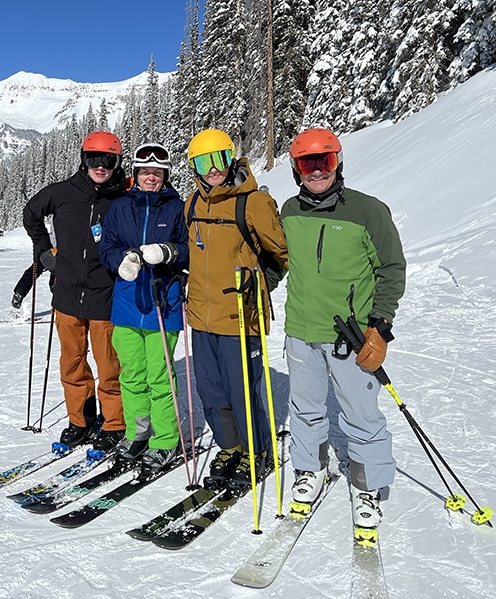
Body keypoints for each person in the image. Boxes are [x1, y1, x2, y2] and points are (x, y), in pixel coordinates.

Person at [279, 128, 406, 532]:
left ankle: (366, 485)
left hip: (350, 336)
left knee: (360, 412)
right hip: (301, 329)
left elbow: (391, 269)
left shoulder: (368, 211)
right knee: (305, 407)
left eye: (325, 161)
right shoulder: (288, 211)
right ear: (297, 170)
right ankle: (309, 469)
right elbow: (281, 261)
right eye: (307, 164)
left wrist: (380, 326)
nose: (316, 171)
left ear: (337, 163)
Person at [184, 129, 288, 489]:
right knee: (210, 390)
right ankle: (230, 446)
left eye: (218, 159)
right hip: (201, 316)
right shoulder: (192, 204)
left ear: (231, 159)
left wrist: (262, 284)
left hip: (241, 316)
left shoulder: (253, 202)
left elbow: (282, 255)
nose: (212, 169)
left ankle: (256, 451)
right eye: (202, 162)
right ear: (194, 167)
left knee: (243, 389)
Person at [23, 131, 128, 453]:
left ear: (116, 162)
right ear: (84, 159)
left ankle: (113, 424)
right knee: (72, 363)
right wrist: (44, 252)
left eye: (108, 160)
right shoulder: (63, 192)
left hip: (104, 294)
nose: (101, 166)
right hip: (67, 294)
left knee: (109, 365)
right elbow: (31, 214)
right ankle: (80, 420)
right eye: (94, 159)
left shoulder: (123, 198)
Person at [99, 143, 189, 473]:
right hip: (126, 303)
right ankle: (139, 433)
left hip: (163, 304)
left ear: (165, 176)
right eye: (145, 172)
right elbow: (106, 246)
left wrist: (168, 252)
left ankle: (165, 439)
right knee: (132, 375)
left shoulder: (177, 207)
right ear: (135, 175)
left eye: (157, 173)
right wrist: (120, 260)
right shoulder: (120, 207)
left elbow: (190, 249)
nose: (151, 178)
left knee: (160, 377)